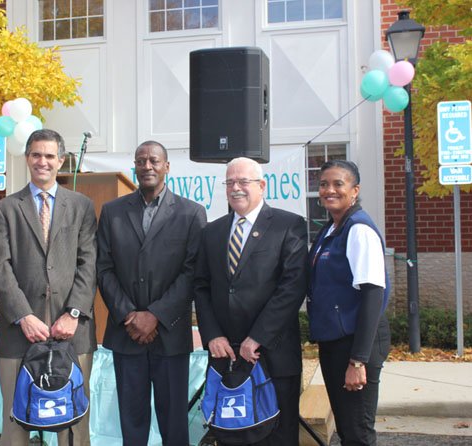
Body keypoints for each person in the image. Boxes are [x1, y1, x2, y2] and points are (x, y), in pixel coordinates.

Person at [0, 129, 97, 446]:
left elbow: (88, 264)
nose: (43, 162)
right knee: (15, 421)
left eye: (50, 155)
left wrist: (73, 313)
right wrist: (23, 315)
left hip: (71, 333)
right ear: (27, 158)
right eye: (36, 154)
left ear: (61, 160)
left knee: (73, 423)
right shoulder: (5, 209)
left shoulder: (81, 207)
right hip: (18, 334)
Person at [97, 141, 206, 446]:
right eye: (141, 160)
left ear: (166, 167)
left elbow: (192, 273)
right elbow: (103, 269)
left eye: (154, 161)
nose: (147, 166)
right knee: (132, 423)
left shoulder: (191, 213)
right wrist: (129, 316)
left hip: (170, 336)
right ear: (135, 165)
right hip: (126, 334)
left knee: (174, 426)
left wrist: (155, 315)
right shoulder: (112, 212)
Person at [194, 157, 308, 446]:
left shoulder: (288, 225)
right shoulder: (212, 231)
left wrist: (257, 337)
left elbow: (292, 287)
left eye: (243, 181)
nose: (236, 188)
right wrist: (212, 335)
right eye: (230, 182)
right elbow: (202, 286)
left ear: (262, 186)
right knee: (234, 437)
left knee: (278, 437)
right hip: (227, 357)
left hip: (273, 355)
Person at [307, 160, 390, 446]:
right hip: (335, 342)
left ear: (355, 190)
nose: (329, 190)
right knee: (346, 430)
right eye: (323, 184)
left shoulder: (359, 229)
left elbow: (373, 294)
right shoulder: (331, 228)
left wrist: (358, 360)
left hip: (355, 344)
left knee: (357, 432)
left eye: (338, 184)